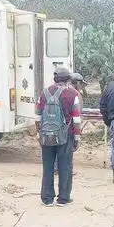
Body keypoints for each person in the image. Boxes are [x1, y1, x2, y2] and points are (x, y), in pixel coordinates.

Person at [35, 67, 82, 207]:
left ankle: (47, 198)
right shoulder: (72, 94)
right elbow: (76, 119)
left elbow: (38, 116)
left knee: (48, 167)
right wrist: (77, 138)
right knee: (65, 166)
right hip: (65, 135)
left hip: (46, 135)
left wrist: (39, 134)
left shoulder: (44, 93)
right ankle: (63, 198)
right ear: (68, 80)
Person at [54, 72, 87, 176]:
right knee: (66, 150)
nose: (81, 87)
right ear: (77, 83)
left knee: (56, 147)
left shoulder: (58, 91)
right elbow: (77, 114)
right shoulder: (75, 94)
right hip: (68, 127)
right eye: (81, 84)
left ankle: (55, 168)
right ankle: (64, 170)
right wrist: (77, 134)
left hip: (55, 124)